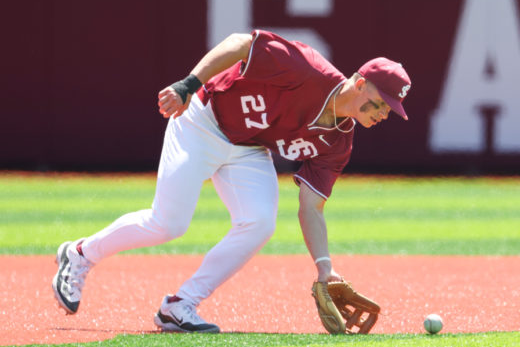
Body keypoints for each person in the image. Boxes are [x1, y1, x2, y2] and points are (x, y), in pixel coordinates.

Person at [51, 29, 412, 333]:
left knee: (259, 223)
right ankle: (80, 254)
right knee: (168, 223)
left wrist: (324, 269)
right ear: (361, 83)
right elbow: (241, 43)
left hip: (247, 149)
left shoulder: (339, 141)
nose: (383, 114)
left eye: (389, 110)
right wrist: (189, 84)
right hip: (202, 121)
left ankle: (180, 306)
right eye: (382, 103)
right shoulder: (308, 68)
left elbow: (312, 207)